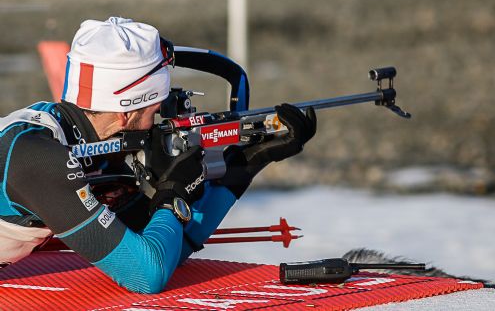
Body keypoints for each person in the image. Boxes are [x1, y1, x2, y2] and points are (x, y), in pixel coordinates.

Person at [0, 17, 316, 293]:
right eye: (157, 109)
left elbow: (164, 248)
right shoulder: (40, 158)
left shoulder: (81, 139)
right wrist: (172, 195)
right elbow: (146, 275)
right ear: (127, 111)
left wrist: (246, 164)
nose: (160, 121)